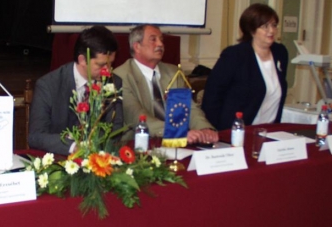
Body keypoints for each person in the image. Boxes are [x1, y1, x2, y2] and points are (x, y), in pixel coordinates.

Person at [114, 24, 218, 144]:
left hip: (178, 142)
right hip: (137, 143)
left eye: (161, 39)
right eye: (153, 40)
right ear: (137, 46)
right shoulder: (121, 76)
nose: (160, 44)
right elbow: (135, 115)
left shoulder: (174, 72)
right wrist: (175, 132)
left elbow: (189, 107)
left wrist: (204, 128)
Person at [29, 25, 123, 155]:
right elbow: (36, 136)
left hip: (97, 156)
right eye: (101, 65)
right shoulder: (48, 85)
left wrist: (94, 144)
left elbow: (115, 128)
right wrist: (74, 147)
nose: (107, 70)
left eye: (111, 63)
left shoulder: (113, 82)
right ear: (82, 60)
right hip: (58, 157)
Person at [201, 3, 288, 131]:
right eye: (265, 26)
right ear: (251, 29)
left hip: (269, 130)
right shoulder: (235, 55)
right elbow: (212, 95)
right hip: (236, 130)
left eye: (274, 25)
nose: (271, 31)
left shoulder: (280, 52)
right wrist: (214, 130)